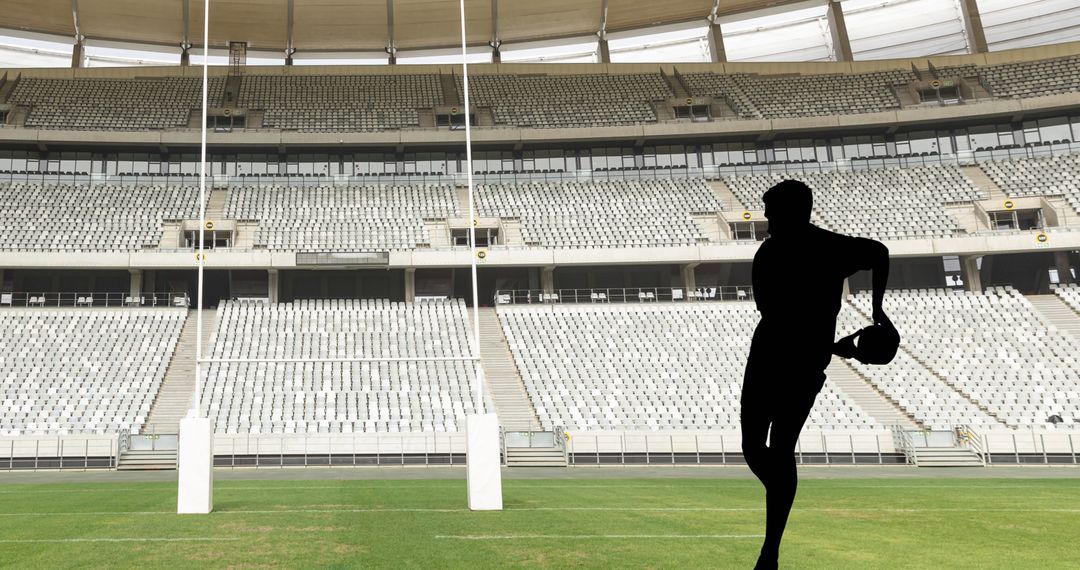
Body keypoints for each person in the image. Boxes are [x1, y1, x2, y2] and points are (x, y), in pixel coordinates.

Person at [741, 179, 893, 569]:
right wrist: (874, 314)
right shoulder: (824, 248)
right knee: (759, 448)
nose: (767, 217)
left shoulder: (785, 251)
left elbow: (879, 252)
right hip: (799, 357)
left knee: (771, 446)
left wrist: (878, 313)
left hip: (782, 357)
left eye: (772, 210)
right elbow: (878, 254)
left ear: (794, 211)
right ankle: (777, 511)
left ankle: (770, 547)